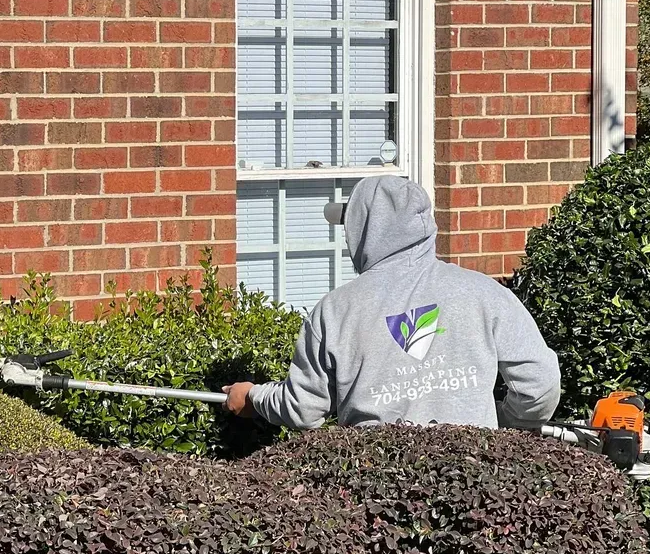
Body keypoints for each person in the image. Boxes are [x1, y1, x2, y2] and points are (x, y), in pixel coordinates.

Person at [222, 174, 560, 430]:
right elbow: (540, 386)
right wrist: (502, 424)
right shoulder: (485, 293)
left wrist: (252, 396)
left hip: (374, 493)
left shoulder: (336, 311)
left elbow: (304, 408)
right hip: (475, 487)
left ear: (362, 229)